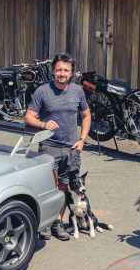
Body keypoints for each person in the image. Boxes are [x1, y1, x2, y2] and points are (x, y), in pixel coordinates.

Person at [24, 53, 91, 241]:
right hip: (49, 147)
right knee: (48, 186)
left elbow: (86, 116)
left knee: (64, 186)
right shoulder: (42, 91)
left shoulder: (78, 91)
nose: (62, 73)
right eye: (59, 69)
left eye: (66, 70)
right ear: (53, 71)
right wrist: (43, 125)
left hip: (71, 149)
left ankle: (57, 222)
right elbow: (28, 117)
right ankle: (43, 223)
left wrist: (82, 140)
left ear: (72, 73)